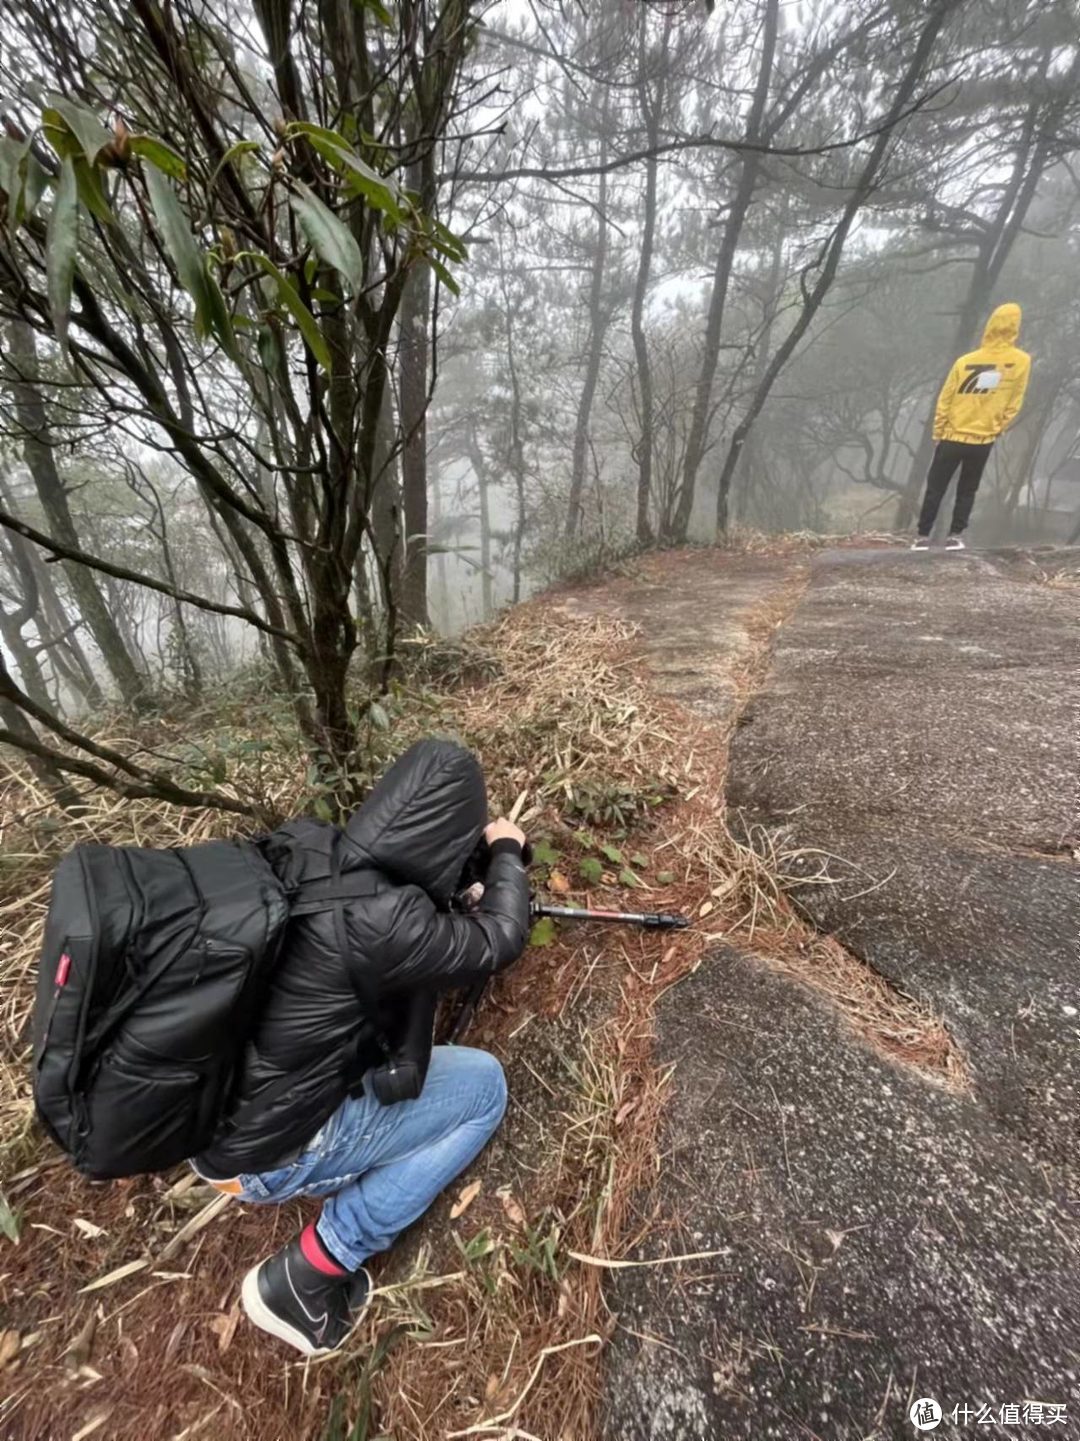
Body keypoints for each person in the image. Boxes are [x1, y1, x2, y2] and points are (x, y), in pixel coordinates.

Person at [190, 738, 531, 1357]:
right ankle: (313, 1270)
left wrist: (448, 897)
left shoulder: (305, 847)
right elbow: (502, 938)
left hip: (207, 1123)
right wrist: (506, 852)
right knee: (484, 1088)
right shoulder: (386, 921)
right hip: (268, 1156)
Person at [911, 302, 1031, 550]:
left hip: (951, 436)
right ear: (1015, 327)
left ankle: (922, 536)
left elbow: (946, 397)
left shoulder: (965, 361)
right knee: (968, 489)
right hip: (982, 440)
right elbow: (1015, 401)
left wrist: (938, 430)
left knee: (936, 487)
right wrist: (999, 426)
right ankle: (956, 535)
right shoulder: (1021, 361)